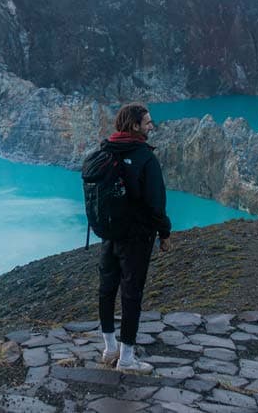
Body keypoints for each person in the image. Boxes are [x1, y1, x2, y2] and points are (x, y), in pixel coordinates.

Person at [97, 103, 172, 373]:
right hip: (137, 237)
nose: (152, 126)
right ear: (135, 126)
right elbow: (155, 203)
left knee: (106, 289)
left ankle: (109, 349)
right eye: (148, 123)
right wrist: (164, 232)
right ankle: (127, 359)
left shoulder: (107, 150)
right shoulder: (145, 157)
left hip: (110, 234)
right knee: (131, 294)